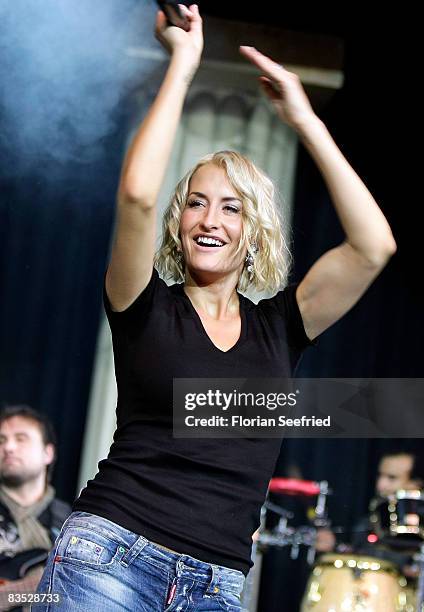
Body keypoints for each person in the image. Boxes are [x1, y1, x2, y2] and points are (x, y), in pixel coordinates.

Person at [35, 4, 397, 611]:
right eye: (196, 203)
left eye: (231, 208)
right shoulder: (142, 304)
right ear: (179, 224)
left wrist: (305, 121)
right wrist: (182, 64)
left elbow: (373, 246)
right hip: (111, 554)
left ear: (254, 233)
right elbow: (137, 194)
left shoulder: (282, 327)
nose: (210, 220)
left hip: (217, 584)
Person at [0, 405, 71, 611]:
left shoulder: (72, 522)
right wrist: (32, 586)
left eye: (21, 438)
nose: (9, 447)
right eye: (1, 440)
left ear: (47, 453)